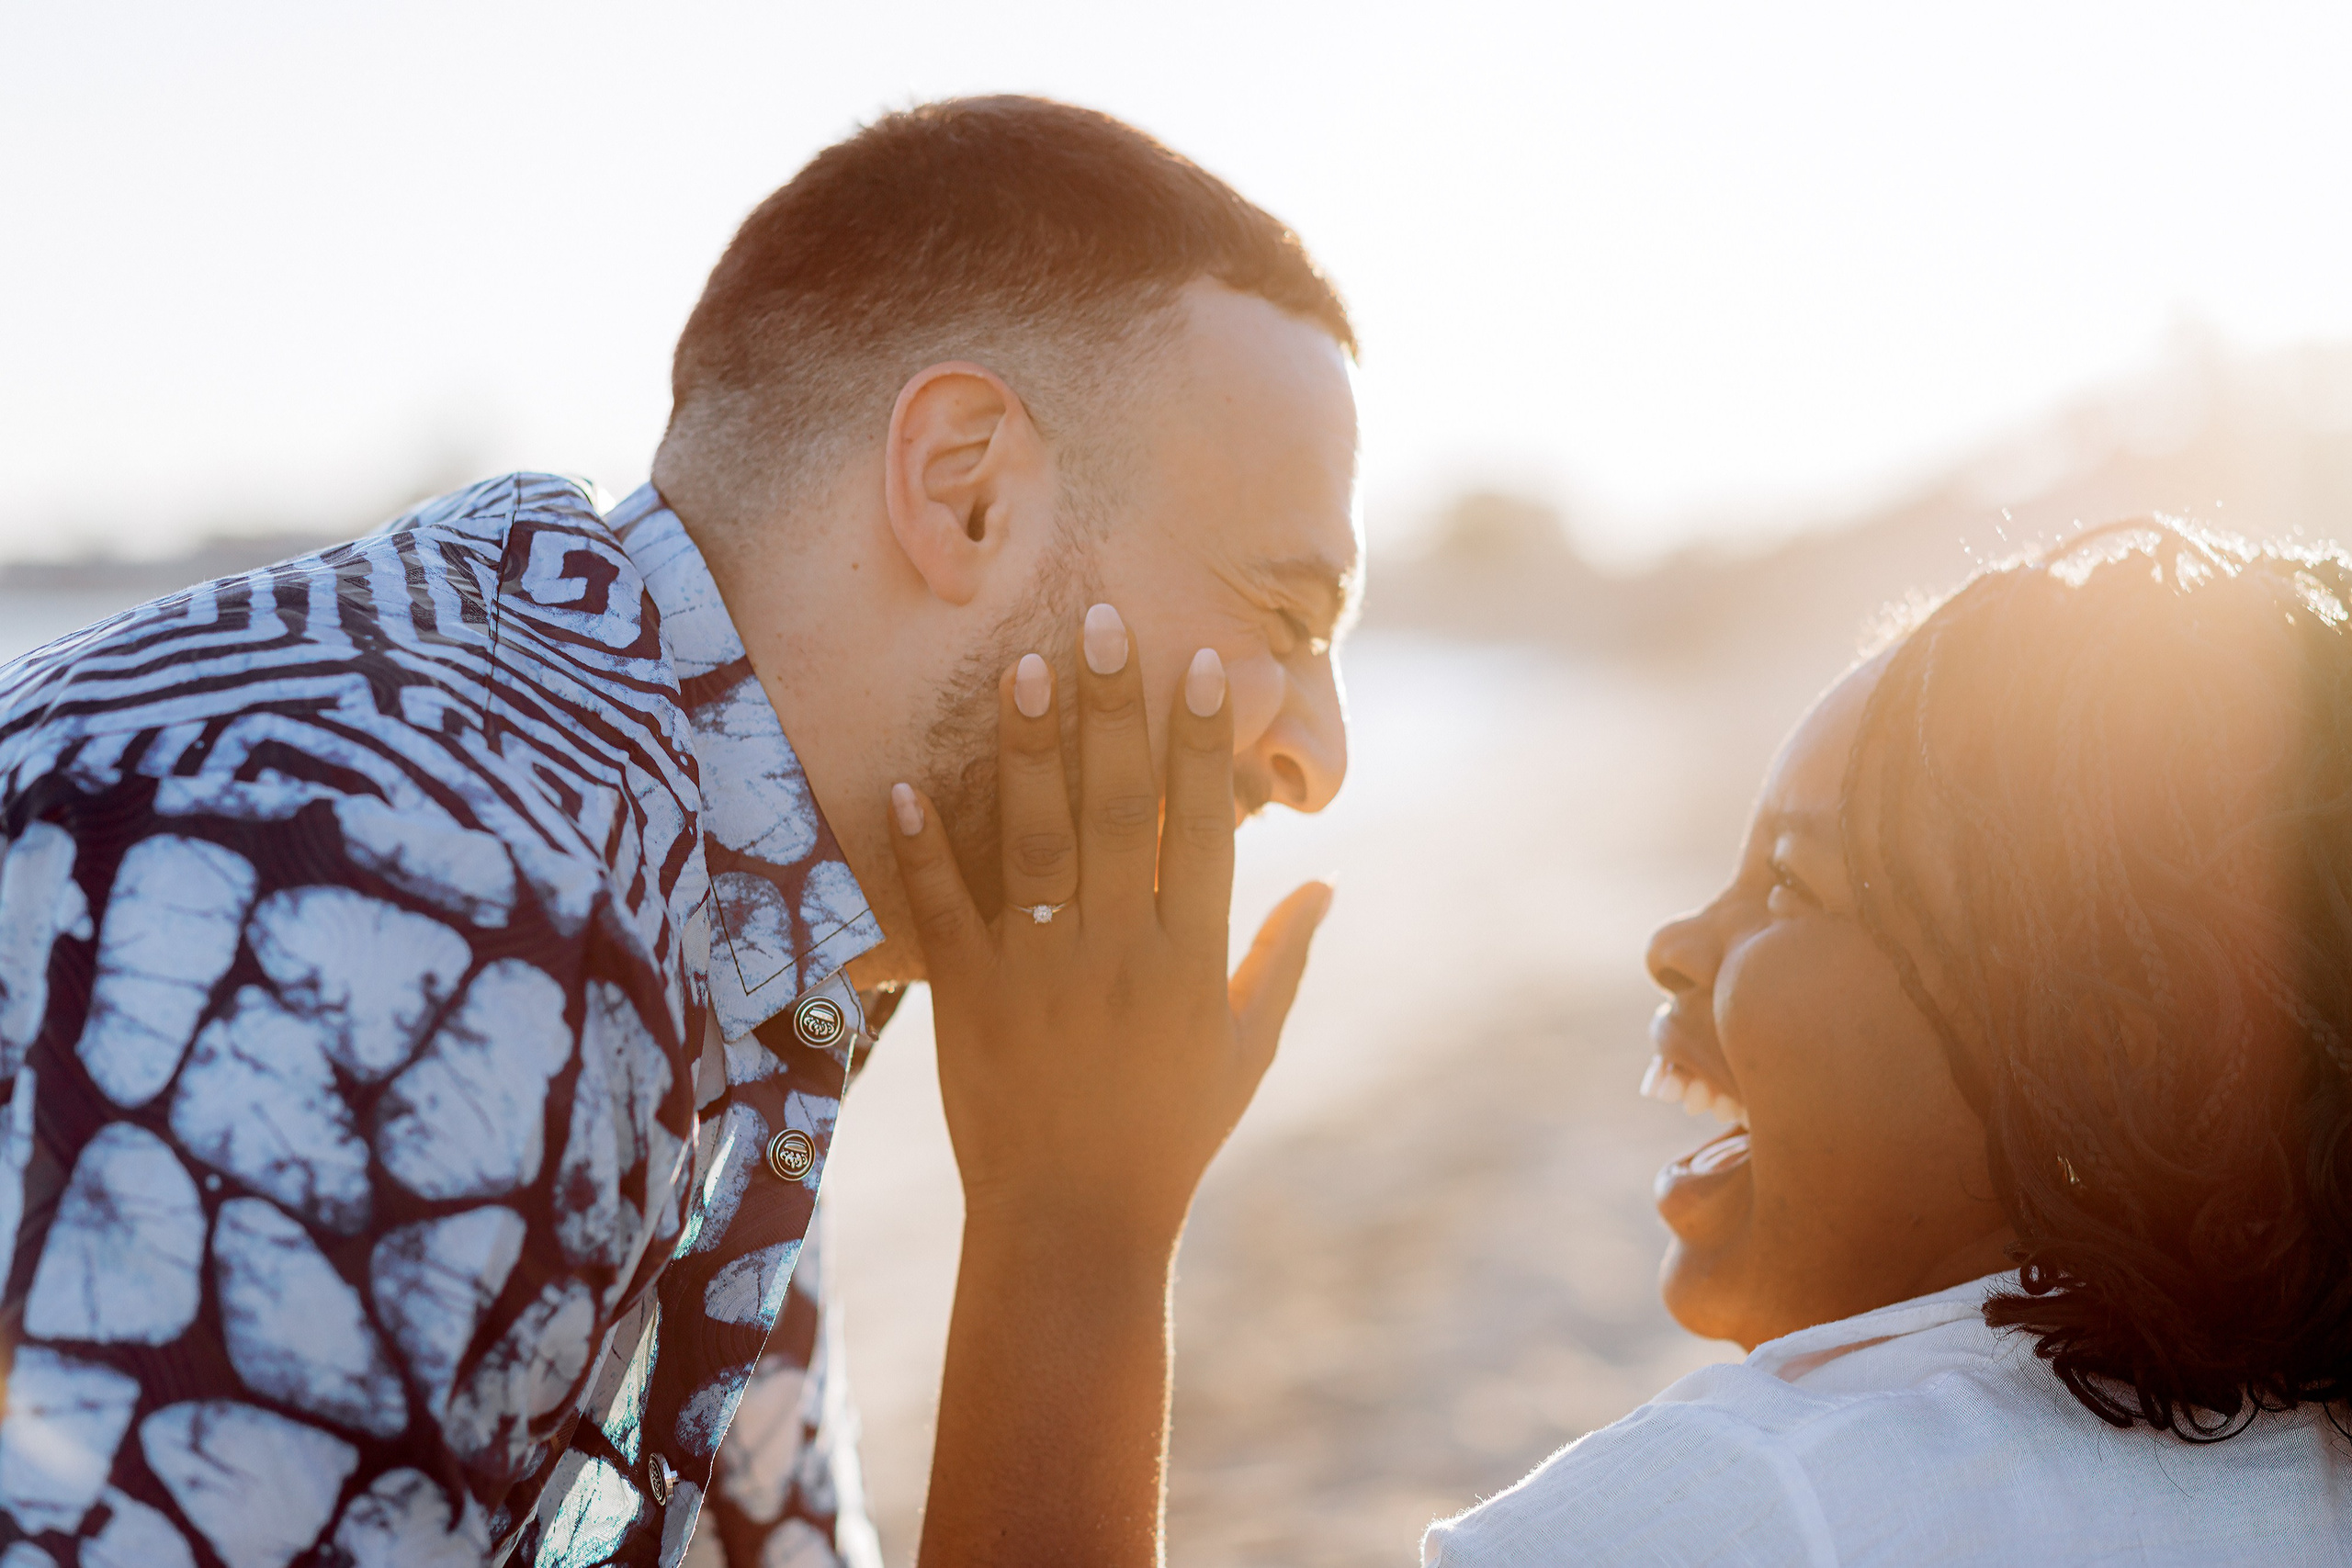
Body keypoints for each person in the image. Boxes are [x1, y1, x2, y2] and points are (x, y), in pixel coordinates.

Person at [0, 96, 1355, 1565]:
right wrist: (1077, 1234)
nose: (1320, 763)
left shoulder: (698, 884)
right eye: (1285, 614)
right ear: (965, 492)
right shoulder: (423, 891)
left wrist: (1075, 1208)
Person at [903, 519, 2352, 1564]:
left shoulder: (1749, 1508)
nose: (1676, 942)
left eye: (1791, 884)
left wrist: (1073, 1225)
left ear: (2107, 1050)